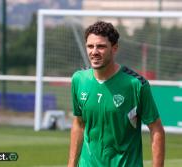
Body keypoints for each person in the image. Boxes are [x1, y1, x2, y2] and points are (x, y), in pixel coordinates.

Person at [67, 21, 165, 167]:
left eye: (101, 46)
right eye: (90, 46)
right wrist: (72, 164)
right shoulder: (79, 80)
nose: (94, 51)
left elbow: (156, 129)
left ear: (114, 48)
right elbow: (79, 124)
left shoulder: (136, 84)